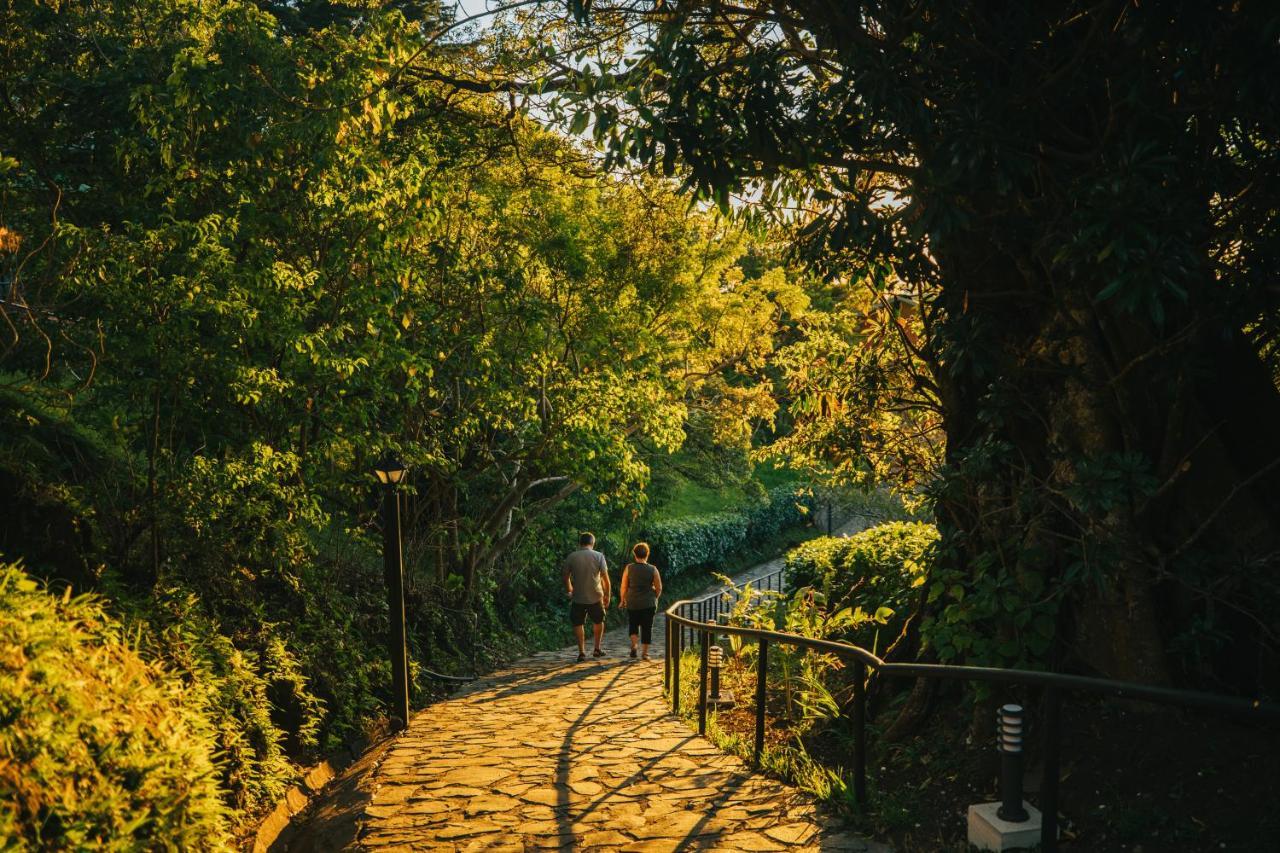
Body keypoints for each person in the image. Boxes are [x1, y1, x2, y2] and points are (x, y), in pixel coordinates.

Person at [563, 532, 611, 662]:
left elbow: (565, 576)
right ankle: (596, 649)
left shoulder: (572, 556)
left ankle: (582, 652)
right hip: (596, 596)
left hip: (578, 596)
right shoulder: (599, 556)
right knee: (598, 621)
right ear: (592, 543)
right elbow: (606, 580)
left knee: (578, 623)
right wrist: (607, 595)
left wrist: (570, 590)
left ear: (580, 543)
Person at [619, 542, 662, 661]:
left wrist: (622, 600)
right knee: (647, 627)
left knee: (633, 624)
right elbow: (659, 588)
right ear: (647, 554)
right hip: (648, 602)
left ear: (635, 554)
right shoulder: (653, 569)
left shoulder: (629, 568)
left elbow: (623, 586)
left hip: (632, 601)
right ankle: (645, 653)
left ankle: (634, 645)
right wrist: (655, 597)